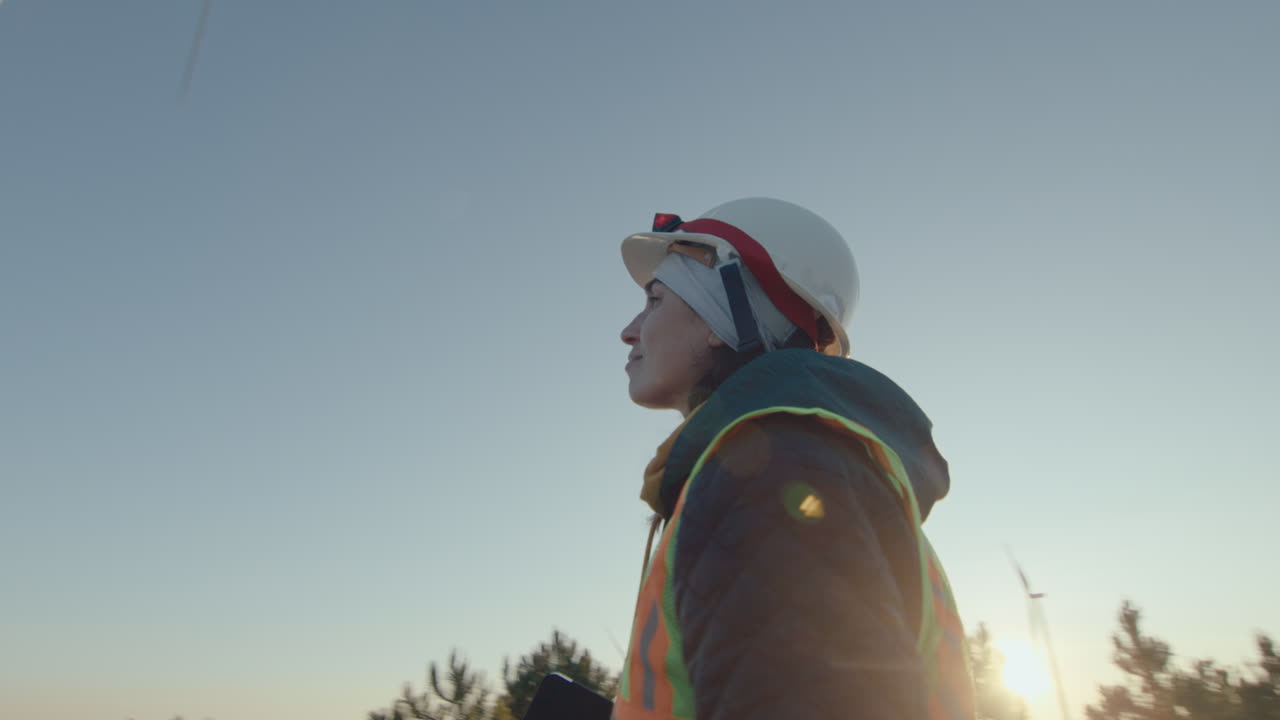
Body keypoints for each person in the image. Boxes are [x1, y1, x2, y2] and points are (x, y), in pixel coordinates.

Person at [611, 198, 976, 720]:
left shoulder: (775, 473)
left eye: (654, 301)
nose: (630, 330)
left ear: (722, 316)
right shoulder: (803, 460)